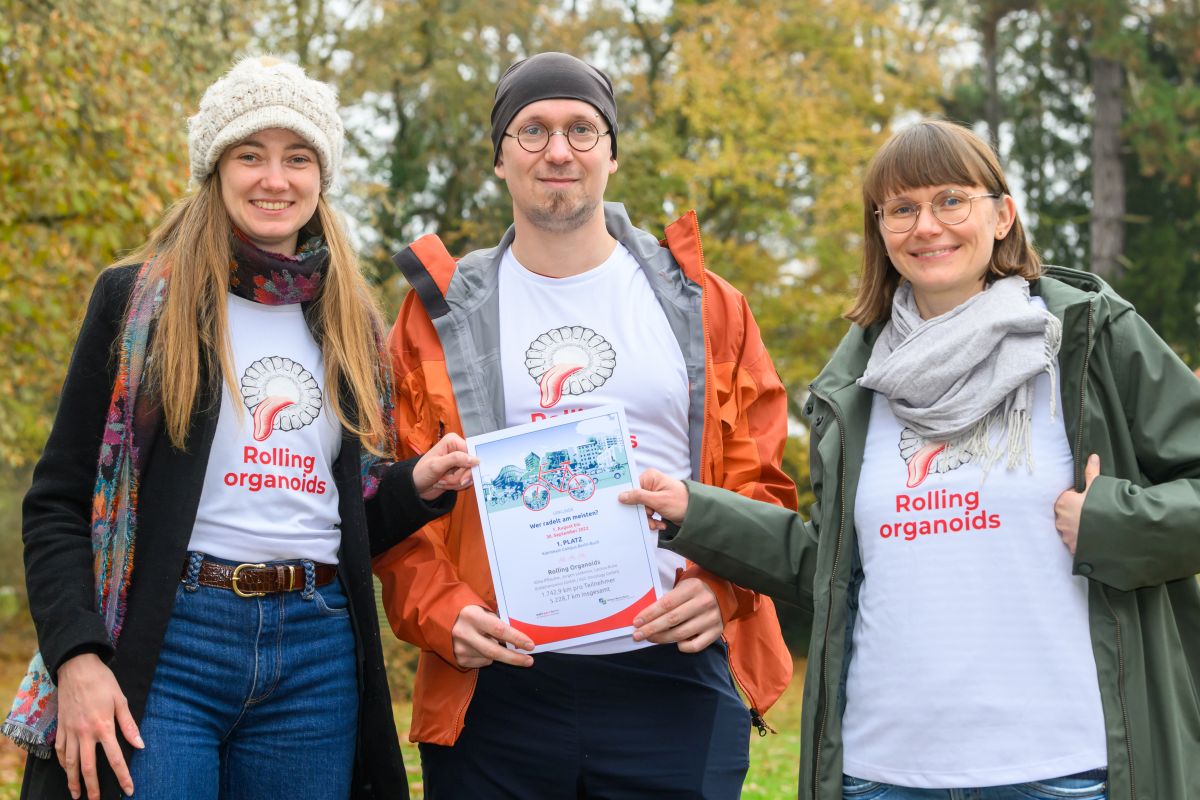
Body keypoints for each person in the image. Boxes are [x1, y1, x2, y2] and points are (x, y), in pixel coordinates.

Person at [620, 119, 1200, 799]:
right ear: (881, 231)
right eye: (901, 208)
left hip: (1062, 769)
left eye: (951, 200)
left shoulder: (1087, 340)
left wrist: (1115, 523)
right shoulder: (857, 385)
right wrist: (698, 510)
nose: (927, 225)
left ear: (1003, 214)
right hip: (881, 772)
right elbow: (830, 567)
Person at [5, 55, 476, 800]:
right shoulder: (137, 305)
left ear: (321, 177)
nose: (274, 179)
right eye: (249, 154)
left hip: (318, 653)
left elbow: (351, 518)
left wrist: (416, 487)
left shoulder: (354, 324)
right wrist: (78, 657)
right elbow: (58, 502)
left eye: (297, 158)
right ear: (215, 168)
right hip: (172, 645)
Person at [373, 51, 796, 798]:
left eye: (581, 129)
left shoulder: (706, 303)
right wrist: (444, 614)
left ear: (611, 151)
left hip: (673, 678)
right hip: (498, 685)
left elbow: (761, 481)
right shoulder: (435, 314)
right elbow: (398, 500)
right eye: (531, 130)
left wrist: (723, 587)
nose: (558, 150)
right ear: (500, 158)